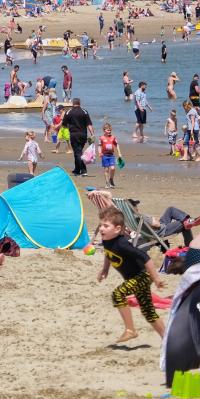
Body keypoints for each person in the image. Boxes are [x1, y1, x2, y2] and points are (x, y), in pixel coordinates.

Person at [96, 208, 165, 343]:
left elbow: (145, 257)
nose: (101, 229)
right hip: (134, 278)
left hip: (142, 276)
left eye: (106, 226)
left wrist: (156, 278)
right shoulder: (107, 241)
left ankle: (130, 330)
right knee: (148, 311)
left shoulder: (122, 244)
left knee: (118, 294)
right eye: (101, 225)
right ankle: (167, 338)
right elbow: (108, 253)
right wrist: (105, 269)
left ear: (117, 229)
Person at [62, 98, 93, 176]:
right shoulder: (84, 112)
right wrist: (92, 133)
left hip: (74, 135)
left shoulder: (68, 112)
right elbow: (89, 124)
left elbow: (64, 125)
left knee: (77, 152)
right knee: (78, 151)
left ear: (73, 103)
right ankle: (77, 169)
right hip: (83, 135)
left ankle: (83, 170)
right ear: (79, 103)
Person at [99, 123, 121, 189]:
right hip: (104, 156)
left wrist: (119, 153)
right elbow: (99, 146)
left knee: (112, 168)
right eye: (108, 130)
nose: (109, 131)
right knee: (106, 169)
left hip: (111, 155)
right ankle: (107, 182)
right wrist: (100, 152)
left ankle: (111, 179)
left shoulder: (113, 137)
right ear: (104, 130)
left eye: (110, 130)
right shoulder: (101, 138)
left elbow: (117, 145)